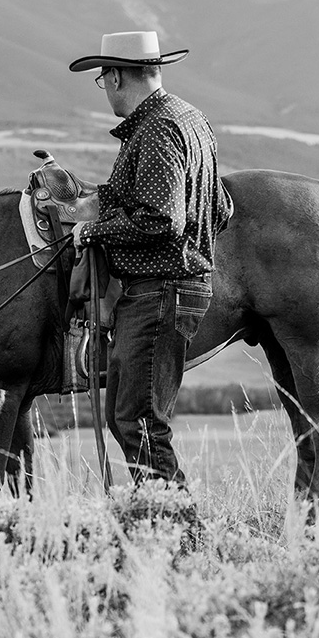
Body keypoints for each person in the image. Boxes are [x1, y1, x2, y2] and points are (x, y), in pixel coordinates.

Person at [68, 31, 232, 485]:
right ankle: (162, 525)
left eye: (104, 79)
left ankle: (178, 533)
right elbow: (221, 208)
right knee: (128, 418)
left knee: (138, 422)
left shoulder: (156, 128)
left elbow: (162, 219)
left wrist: (91, 230)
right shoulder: (190, 118)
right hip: (174, 290)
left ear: (117, 76)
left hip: (159, 293)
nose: (106, 90)